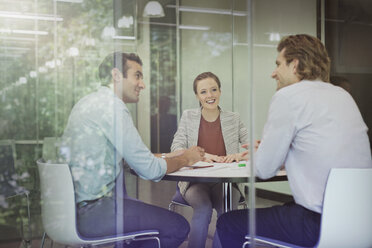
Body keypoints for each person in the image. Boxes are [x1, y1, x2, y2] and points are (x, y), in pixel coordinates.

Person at [216, 34, 372, 247]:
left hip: (317, 224)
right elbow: (322, 149)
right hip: (359, 220)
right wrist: (281, 149)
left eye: (278, 64)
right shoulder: (342, 95)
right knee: (288, 208)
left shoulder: (288, 96)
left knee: (228, 222)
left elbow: (263, 169)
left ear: (295, 65)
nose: (273, 73)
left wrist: (261, 153)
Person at [59, 52, 204, 248]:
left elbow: (128, 157)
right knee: (178, 226)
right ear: (116, 75)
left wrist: (169, 156)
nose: (142, 84)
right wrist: (186, 158)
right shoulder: (112, 107)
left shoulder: (90, 102)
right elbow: (150, 170)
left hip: (72, 211)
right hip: (94, 213)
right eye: (137, 75)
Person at [171, 72, 248, 248]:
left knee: (226, 212)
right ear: (197, 96)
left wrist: (239, 155)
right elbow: (176, 148)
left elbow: (252, 148)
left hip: (227, 183)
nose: (210, 95)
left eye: (213, 90)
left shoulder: (233, 118)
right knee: (203, 208)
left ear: (220, 91)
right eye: (204, 92)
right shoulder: (188, 116)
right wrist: (203, 156)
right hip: (195, 183)